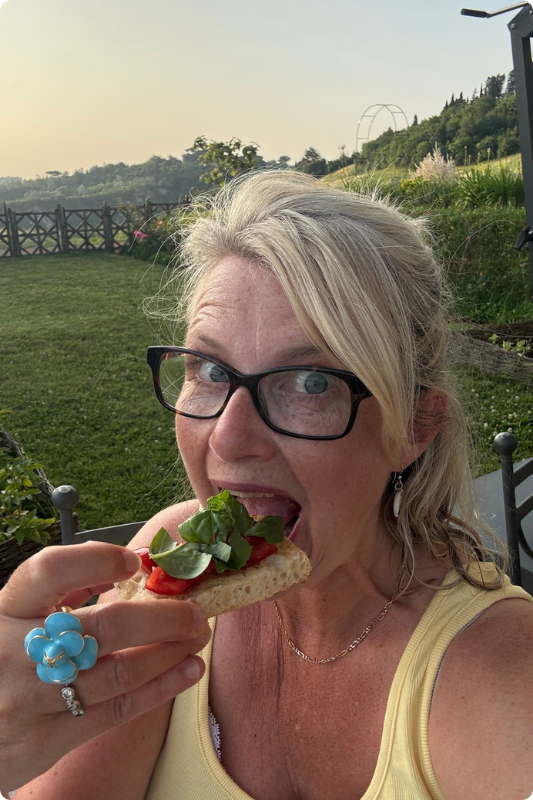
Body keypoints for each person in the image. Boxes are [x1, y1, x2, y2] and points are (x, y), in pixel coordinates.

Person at [4, 170, 533, 800]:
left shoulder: (501, 674)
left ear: (412, 428)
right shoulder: (167, 562)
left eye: (310, 382)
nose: (227, 439)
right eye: (207, 368)